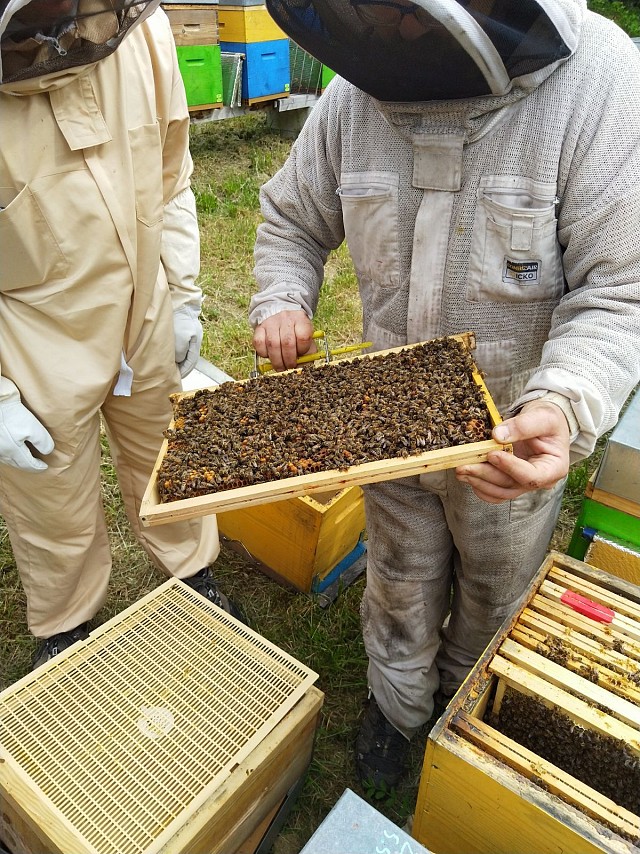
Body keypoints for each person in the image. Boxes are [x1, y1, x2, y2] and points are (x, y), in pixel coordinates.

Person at [249, 0, 640, 789]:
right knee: (398, 573)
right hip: (387, 424)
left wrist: (561, 402)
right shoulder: (355, 93)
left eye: (411, 9)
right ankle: (397, 711)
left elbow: (620, 288)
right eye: (377, 8)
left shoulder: (601, 82)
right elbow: (290, 218)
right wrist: (283, 298)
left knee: (496, 587)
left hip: (511, 433)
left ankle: (462, 714)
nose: (393, 30)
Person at [0, 0, 242, 672]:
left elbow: (172, 172)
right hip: (28, 329)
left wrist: (186, 296)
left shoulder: (142, 32)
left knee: (166, 451)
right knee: (50, 490)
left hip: (145, 300)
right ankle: (66, 622)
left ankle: (192, 571)